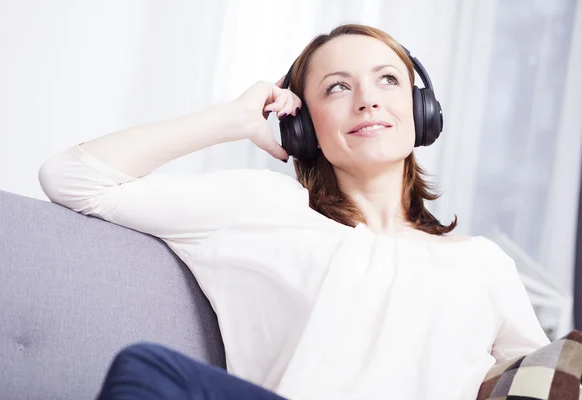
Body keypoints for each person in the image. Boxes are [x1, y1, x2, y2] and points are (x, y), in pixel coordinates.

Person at [38, 23, 550, 400]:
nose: (368, 100)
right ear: (303, 126)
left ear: (422, 112)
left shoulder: (484, 265)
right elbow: (74, 177)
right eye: (338, 87)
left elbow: (544, 379)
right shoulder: (263, 208)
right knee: (149, 369)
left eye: (388, 80)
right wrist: (234, 118)